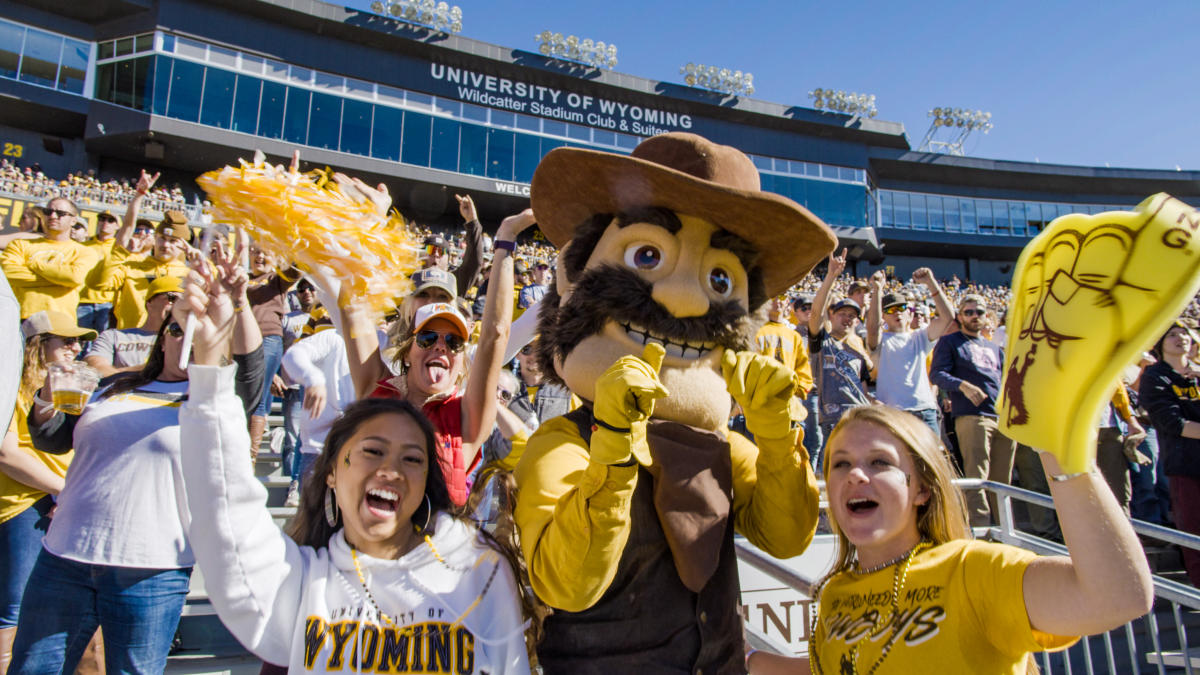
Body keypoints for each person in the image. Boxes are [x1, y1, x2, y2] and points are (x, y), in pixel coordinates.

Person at [174, 265, 532, 673]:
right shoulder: (305, 584)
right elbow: (225, 511)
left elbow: (498, 333)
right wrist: (209, 367)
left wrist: (503, 244)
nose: (390, 472)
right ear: (332, 471)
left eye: (415, 458)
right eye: (373, 451)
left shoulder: (479, 577)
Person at [745, 404, 1153, 674]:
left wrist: (1063, 454)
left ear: (922, 488)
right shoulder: (834, 592)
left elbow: (1119, 596)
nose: (855, 475)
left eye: (879, 462)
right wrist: (738, 656)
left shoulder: (973, 569)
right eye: (841, 463)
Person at [9, 247, 264, 674]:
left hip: (151, 568)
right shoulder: (116, 386)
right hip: (65, 556)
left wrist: (237, 302)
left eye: (201, 334)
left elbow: (252, 370)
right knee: (33, 668)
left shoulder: (214, 401)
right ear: (162, 338)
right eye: (179, 330)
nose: (189, 339)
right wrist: (48, 401)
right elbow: (55, 440)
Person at [341, 208, 530, 507]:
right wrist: (368, 220)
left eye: (454, 342)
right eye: (428, 338)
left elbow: (495, 333)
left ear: (461, 362)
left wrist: (505, 239)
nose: (441, 346)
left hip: (435, 553)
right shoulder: (376, 391)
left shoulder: (467, 417)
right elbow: (353, 307)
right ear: (408, 350)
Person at [0, 311, 96, 670]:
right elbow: (6, 453)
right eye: (65, 340)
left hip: (62, 502)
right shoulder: (10, 388)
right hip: (24, 504)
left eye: (79, 341)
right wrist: (63, 491)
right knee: (16, 607)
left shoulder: (79, 387)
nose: (76, 347)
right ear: (39, 346)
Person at [929, 293, 1016, 527]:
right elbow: (937, 373)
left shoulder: (995, 348)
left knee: (1002, 482)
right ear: (960, 316)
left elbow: (1008, 380)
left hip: (1002, 417)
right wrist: (962, 385)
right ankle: (981, 529)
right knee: (977, 478)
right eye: (968, 312)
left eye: (979, 312)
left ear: (987, 316)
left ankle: (1004, 530)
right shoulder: (950, 342)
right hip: (972, 415)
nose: (974, 316)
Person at [1139, 321, 1200, 587]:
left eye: (1184, 333)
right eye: (1172, 335)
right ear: (1160, 344)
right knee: (1194, 532)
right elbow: (1171, 422)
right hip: (1185, 465)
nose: (1180, 338)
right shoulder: (1155, 375)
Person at [95, 170, 192, 329]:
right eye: (162, 238)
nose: (165, 245)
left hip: (168, 346)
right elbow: (99, 283)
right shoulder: (132, 265)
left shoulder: (190, 274)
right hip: (130, 341)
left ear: (183, 244)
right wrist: (139, 196)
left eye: (173, 241)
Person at [866, 267, 953, 435]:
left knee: (930, 461)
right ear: (883, 316)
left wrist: (930, 282)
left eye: (901, 307)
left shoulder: (920, 337)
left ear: (909, 312)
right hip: (894, 413)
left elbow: (947, 317)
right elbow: (872, 328)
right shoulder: (880, 341)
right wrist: (877, 289)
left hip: (925, 411)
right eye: (890, 310)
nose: (897, 312)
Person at [808, 250, 872, 458]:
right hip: (833, 417)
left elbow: (863, 385)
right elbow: (816, 313)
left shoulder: (859, 347)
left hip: (860, 416)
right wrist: (831, 276)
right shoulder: (822, 341)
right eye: (842, 313)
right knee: (834, 466)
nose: (847, 318)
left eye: (852, 316)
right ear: (832, 316)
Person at [0, 196, 99, 319]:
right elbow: (7, 275)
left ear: (73, 220)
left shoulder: (85, 251)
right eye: (48, 212)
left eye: (60, 213)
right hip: (18, 318)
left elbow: (74, 277)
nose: (53, 216)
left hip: (60, 321)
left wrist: (33, 265)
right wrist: (60, 281)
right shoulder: (19, 244)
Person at [84, 276, 181, 376]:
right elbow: (95, 368)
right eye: (172, 298)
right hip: (125, 390)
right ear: (149, 302)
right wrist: (148, 369)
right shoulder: (113, 336)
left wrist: (120, 372)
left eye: (183, 301)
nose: (177, 305)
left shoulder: (188, 341)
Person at [76, 210, 121, 333]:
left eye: (110, 220)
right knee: (81, 341)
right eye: (102, 219)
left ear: (117, 226)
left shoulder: (118, 248)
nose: (105, 222)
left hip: (107, 302)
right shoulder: (84, 246)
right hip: (83, 300)